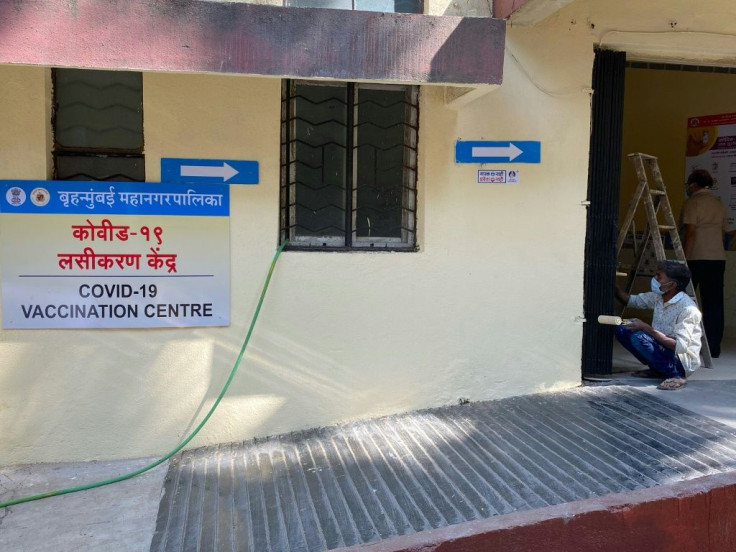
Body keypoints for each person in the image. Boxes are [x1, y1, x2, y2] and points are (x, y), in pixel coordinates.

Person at [614, 261, 702, 390]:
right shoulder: (658, 297)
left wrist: (646, 328)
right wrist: (614, 285)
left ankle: (676, 376)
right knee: (621, 329)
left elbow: (679, 346)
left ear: (671, 284)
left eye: (659, 277)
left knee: (640, 337)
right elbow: (631, 300)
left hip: (681, 361)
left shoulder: (688, 309)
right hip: (663, 348)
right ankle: (657, 369)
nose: (654, 279)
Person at [680, 169, 727, 357]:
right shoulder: (719, 205)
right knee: (714, 305)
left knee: (684, 302)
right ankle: (713, 348)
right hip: (717, 258)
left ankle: (682, 343)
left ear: (693, 185)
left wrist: (684, 259)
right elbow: (723, 233)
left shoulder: (693, 203)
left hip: (696, 257)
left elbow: (690, 232)